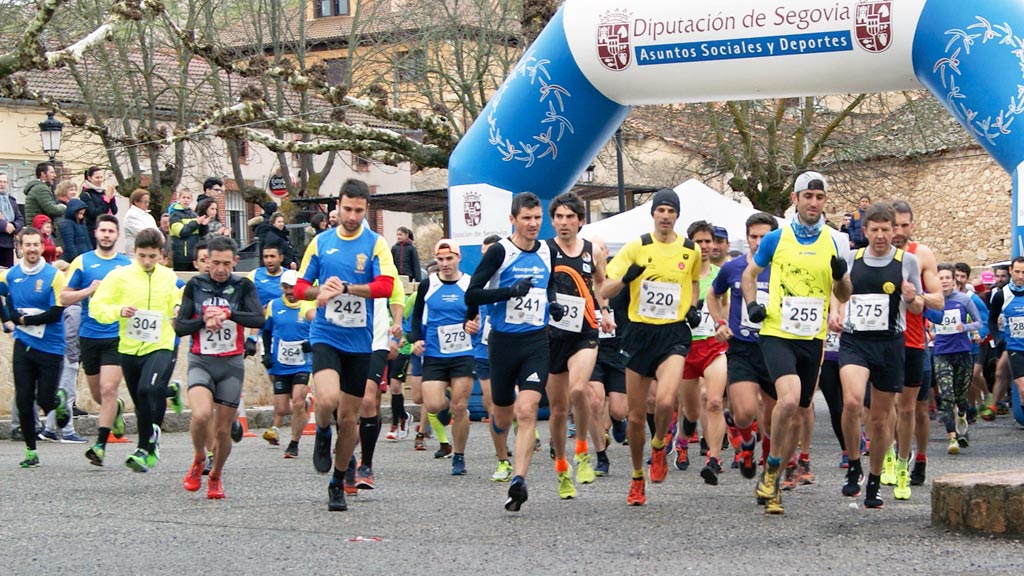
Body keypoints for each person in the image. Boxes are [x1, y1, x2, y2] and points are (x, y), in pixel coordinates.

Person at [742, 172, 851, 515]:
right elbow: (749, 275)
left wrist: (840, 275)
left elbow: (844, 293)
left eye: (819, 197)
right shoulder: (776, 238)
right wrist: (752, 305)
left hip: (812, 338)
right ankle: (773, 466)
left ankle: (773, 479)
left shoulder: (836, 241)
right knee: (787, 400)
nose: (814, 203)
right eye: (808, 196)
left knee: (798, 413)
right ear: (795, 199)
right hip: (777, 332)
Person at [294, 178, 398, 512]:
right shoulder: (322, 242)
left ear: (366, 209)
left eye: (359, 210)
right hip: (326, 334)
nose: (352, 216)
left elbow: (385, 286)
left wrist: (349, 289)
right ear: (337, 206)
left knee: (350, 418)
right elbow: (299, 288)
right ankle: (323, 431)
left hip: (359, 341)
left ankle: (338, 481)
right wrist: (321, 291)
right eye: (347, 209)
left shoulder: (375, 244)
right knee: (327, 399)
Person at [600, 188, 702, 506]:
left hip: (673, 333)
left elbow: (694, 282)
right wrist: (626, 279)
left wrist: (693, 306)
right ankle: (636, 476)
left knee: (667, 399)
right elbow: (605, 289)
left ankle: (659, 445)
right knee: (634, 416)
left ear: (677, 215)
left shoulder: (690, 250)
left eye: (671, 211)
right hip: (639, 334)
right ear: (653, 213)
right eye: (661, 210)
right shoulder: (637, 246)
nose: (666, 216)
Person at [464, 191, 564, 512]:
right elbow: (472, 294)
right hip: (503, 344)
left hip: (536, 341)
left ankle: (519, 480)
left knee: (527, 409)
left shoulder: (547, 250)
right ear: (512, 219)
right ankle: (502, 453)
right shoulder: (500, 252)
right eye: (526, 218)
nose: (533, 224)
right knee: (502, 415)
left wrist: (553, 304)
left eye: (537, 218)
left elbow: (547, 284)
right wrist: (509, 291)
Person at [829, 203, 923, 508]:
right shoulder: (852, 258)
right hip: (856, 340)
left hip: (889, 344)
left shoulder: (906, 261)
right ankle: (854, 464)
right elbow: (842, 294)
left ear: (894, 230)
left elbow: (917, 306)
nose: (880, 235)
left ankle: (874, 479)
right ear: (865, 231)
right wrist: (838, 287)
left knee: (882, 421)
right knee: (852, 402)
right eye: (874, 230)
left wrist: (912, 298)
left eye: (886, 229)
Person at [176, 235, 265, 499]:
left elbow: (259, 319)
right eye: (215, 263)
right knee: (202, 414)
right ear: (207, 260)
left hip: (230, 364)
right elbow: (180, 327)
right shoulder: (195, 285)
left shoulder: (242, 286)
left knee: (223, 429)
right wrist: (203, 319)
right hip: (201, 361)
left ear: (235, 261)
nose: (220, 269)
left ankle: (216, 476)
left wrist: (229, 314)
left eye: (226, 263)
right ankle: (199, 457)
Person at [90, 228, 181, 472]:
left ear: (161, 254)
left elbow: (176, 299)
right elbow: (96, 306)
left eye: (152, 256)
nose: (147, 261)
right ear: (134, 252)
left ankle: (149, 445)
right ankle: (144, 448)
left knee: (147, 389)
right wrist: (118, 311)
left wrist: (177, 308)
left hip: (160, 344)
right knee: (141, 402)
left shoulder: (168, 276)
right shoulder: (119, 276)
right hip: (129, 348)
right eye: (142, 256)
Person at [544, 192, 612, 497]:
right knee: (558, 409)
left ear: (580, 221)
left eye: (570, 217)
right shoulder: (544, 251)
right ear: (552, 221)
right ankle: (562, 467)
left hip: (585, 331)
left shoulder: (592, 251)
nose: (564, 222)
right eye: (558, 217)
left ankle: (583, 450)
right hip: (552, 335)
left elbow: (600, 283)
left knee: (578, 389)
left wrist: (605, 312)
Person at [708, 212, 777, 481]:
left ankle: (768, 467)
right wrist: (719, 323)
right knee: (745, 413)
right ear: (747, 237)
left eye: (764, 237)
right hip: (742, 348)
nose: (758, 242)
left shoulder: (783, 267)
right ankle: (747, 442)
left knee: (772, 418)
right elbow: (713, 295)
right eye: (753, 236)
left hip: (774, 347)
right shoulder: (733, 267)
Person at [61, 214, 133, 466]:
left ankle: (100, 446)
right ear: (96, 233)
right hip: (89, 335)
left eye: (111, 231)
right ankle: (116, 408)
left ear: (117, 235)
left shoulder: (126, 265)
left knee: (108, 389)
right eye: (103, 230)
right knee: (98, 394)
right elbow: (64, 297)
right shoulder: (82, 262)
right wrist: (88, 290)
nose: (106, 235)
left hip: (116, 335)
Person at [1, 227, 70, 468]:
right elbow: (5, 299)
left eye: (36, 245)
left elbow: (55, 313)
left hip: (50, 347)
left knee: (44, 401)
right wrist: (7, 318)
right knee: (23, 399)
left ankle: (58, 402)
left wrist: (23, 320)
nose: (32, 249)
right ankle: (31, 451)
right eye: (27, 245)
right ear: (20, 248)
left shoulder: (54, 276)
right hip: (24, 344)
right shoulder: (11, 275)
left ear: (42, 247)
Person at [410, 239, 479, 476]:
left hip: (462, 353)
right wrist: (416, 339)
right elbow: (417, 315)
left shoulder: (470, 283)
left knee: (460, 407)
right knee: (432, 404)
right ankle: (447, 404)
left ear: (458, 258)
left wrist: (474, 325)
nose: (445, 263)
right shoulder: (428, 284)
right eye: (440, 259)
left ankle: (458, 455)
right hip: (435, 352)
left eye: (449, 258)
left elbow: (478, 315)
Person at [889, 200, 943, 489]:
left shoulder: (921, 254)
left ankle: (919, 458)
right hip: (885, 340)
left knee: (918, 407)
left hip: (914, 339)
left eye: (903, 225)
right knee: (889, 405)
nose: (898, 231)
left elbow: (939, 300)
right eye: (894, 225)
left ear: (912, 225)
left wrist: (914, 296)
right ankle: (896, 456)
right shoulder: (876, 253)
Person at [676, 220, 730, 484]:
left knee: (714, 400)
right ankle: (682, 440)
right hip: (686, 347)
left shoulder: (721, 274)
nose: (705, 246)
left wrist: (724, 324)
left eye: (709, 241)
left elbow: (726, 305)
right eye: (699, 241)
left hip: (713, 345)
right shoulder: (681, 273)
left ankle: (714, 458)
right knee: (691, 410)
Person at [924, 264, 984, 455]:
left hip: (963, 352)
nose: (944, 281)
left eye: (947, 278)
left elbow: (979, 322)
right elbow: (925, 320)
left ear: (953, 280)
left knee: (960, 396)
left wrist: (965, 328)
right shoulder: (933, 300)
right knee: (947, 396)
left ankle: (962, 415)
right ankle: (952, 438)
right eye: (940, 278)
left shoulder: (963, 299)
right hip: (941, 353)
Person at [260, 270, 315, 459]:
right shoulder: (274, 305)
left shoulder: (308, 305)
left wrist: (312, 343)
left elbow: (320, 328)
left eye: (293, 287)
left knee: (297, 402)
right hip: (281, 363)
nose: (290, 291)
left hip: (303, 363)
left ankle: (293, 443)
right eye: (286, 287)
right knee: (282, 409)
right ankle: (305, 405)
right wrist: (266, 354)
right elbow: (266, 332)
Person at [987, 257, 1024, 429]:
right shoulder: (1002, 295)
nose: (1020, 276)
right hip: (1015, 348)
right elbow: (992, 320)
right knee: (1022, 388)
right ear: (1010, 271)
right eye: (1017, 272)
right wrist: (997, 338)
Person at [169, 190, 209, 271]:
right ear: (179, 199)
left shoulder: (194, 215)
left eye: (188, 198)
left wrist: (203, 225)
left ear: (191, 200)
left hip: (193, 256)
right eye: (183, 197)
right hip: (180, 257)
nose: (186, 200)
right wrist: (195, 222)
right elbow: (181, 232)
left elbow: (201, 234)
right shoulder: (175, 215)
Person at [79, 166, 118, 246]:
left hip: (107, 227)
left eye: (101, 177)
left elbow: (114, 211)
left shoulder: (103, 191)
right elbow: (95, 213)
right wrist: (106, 200)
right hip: (93, 232)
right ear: (89, 178)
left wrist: (111, 198)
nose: (100, 180)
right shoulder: (86, 194)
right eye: (97, 178)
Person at [23, 163, 65, 233]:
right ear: (43, 174)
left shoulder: (37, 187)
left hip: (36, 229)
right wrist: (63, 207)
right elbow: (52, 210)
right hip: (40, 230)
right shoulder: (41, 188)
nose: (55, 175)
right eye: (52, 172)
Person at [123, 189, 158, 255]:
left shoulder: (148, 216)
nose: (147, 204)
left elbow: (158, 233)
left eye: (148, 202)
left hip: (150, 251)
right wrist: (157, 238)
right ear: (136, 202)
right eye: (145, 202)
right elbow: (143, 235)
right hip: (136, 253)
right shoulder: (131, 215)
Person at [0, 171, 24, 267]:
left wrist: (13, 226)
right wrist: (5, 226)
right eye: (0, 181)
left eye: (4, 182)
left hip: (8, 244)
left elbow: (20, 219)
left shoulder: (12, 201)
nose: (2, 184)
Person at [59, 198, 92, 263]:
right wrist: (75, 259)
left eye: (82, 214)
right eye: (80, 213)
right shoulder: (67, 224)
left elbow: (87, 241)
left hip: (85, 257)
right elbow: (69, 244)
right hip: (76, 259)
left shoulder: (82, 224)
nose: (81, 216)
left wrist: (91, 254)